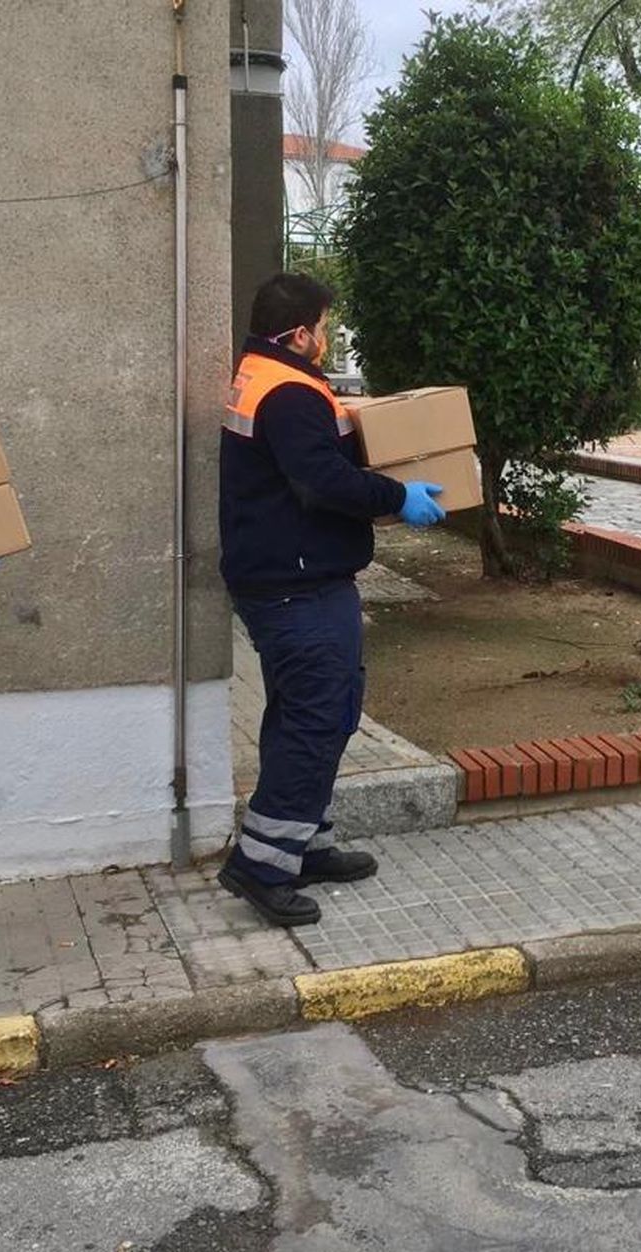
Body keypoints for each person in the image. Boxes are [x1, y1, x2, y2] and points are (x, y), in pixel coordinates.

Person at [217, 272, 446, 926]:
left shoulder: (267, 376)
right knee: (318, 714)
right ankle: (261, 864)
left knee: (313, 712)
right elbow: (319, 481)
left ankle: (302, 841)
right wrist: (396, 496)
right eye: (322, 327)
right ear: (299, 333)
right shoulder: (288, 392)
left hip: (290, 577)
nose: (326, 338)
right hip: (298, 583)